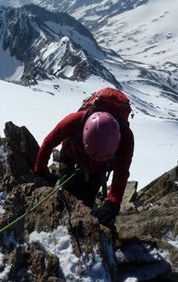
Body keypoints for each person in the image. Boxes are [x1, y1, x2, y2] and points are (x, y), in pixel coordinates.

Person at [33, 88, 135, 227]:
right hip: (71, 157)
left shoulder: (126, 138)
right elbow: (50, 141)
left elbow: (121, 172)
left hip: (98, 169)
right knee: (69, 192)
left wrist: (112, 205)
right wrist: (40, 171)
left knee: (87, 198)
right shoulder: (76, 120)